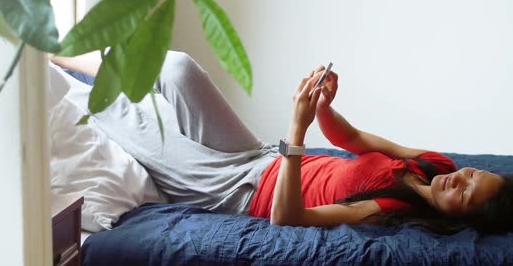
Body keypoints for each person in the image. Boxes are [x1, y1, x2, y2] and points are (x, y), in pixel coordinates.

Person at [51, 50, 513, 235]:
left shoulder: (392, 212)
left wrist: (298, 132)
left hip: (236, 193)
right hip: (258, 158)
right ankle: (64, 56)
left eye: (467, 196)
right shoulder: (433, 164)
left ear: (462, 220)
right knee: (177, 69)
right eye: (473, 175)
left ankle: (43, 69)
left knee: (128, 116)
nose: (461, 180)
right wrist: (325, 106)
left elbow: (286, 218)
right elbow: (352, 139)